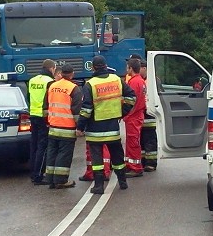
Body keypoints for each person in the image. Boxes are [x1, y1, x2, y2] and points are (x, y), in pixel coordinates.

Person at [76, 55, 136, 195]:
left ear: (93, 67)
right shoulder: (116, 80)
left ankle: (98, 186)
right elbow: (131, 96)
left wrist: (80, 127)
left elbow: (86, 109)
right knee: (117, 157)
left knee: (97, 159)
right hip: (112, 128)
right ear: (105, 65)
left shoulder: (90, 84)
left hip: (95, 130)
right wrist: (122, 112)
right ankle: (123, 182)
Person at [43, 64, 83, 189]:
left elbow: (45, 107)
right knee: (64, 155)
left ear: (61, 73)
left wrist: (47, 121)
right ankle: (60, 180)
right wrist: (80, 127)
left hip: (53, 126)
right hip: (67, 128)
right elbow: (76, 111)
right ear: (72, 74)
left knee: (52, 153)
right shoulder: (73, 88)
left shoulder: (52, 86)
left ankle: (50, 179)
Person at [28, 59, 56, 184]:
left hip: (33, 114)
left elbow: (29, 97)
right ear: (51, 69)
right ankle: (38, 175)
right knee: (43, 147)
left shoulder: (32, 80)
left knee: (34, 145)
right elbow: (50, 100)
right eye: (54, 69)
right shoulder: (50, 82)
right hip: (44, 116)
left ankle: (33, 172)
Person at [123, 57, 146, 177]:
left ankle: (135, 167)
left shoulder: (134, 82)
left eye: (127, 67)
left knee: (133, 142)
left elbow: (130, 101)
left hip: (133, 115)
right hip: (136, 115)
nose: (126, 69)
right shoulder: (140, 81)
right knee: (132, 141)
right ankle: (130, 164)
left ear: (131, 68)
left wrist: (124, 113)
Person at [138, 59, 158, 171]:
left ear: (145, 68)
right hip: (141, 114)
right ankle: (142, 161)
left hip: (149, 114)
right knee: (141, 140)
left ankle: (151, 163)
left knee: (150, 139)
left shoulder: (153, 80)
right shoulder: (138, 80)